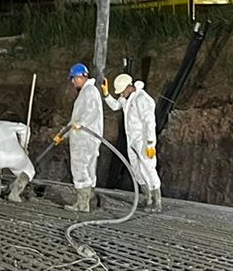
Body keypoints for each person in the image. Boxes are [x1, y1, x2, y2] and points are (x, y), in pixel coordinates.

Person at [52, 61, 105, 212]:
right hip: (85, 137)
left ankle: (82, 205)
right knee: (88, 169)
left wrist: (80, 124)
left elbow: (90, 113)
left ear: (83, 76)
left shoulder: (90, 92)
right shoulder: (86, 92)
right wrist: (63, 134)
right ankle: (89, 202)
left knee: (80, 168)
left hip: (85, 138)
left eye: (74, 78)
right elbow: (75, 121)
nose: (73, 81)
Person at [106, 72, 162, 209]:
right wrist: (106, 94)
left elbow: (150, 123)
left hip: (143, 141)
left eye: (121, 92)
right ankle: (147, 198)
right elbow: (115, 106)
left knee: (148, 169)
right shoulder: (127, 98)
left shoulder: (142, 99)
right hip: (132, 141)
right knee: (137, 170)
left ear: (128, 87)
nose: (120, 95)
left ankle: (157, 201)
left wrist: (150, 144)